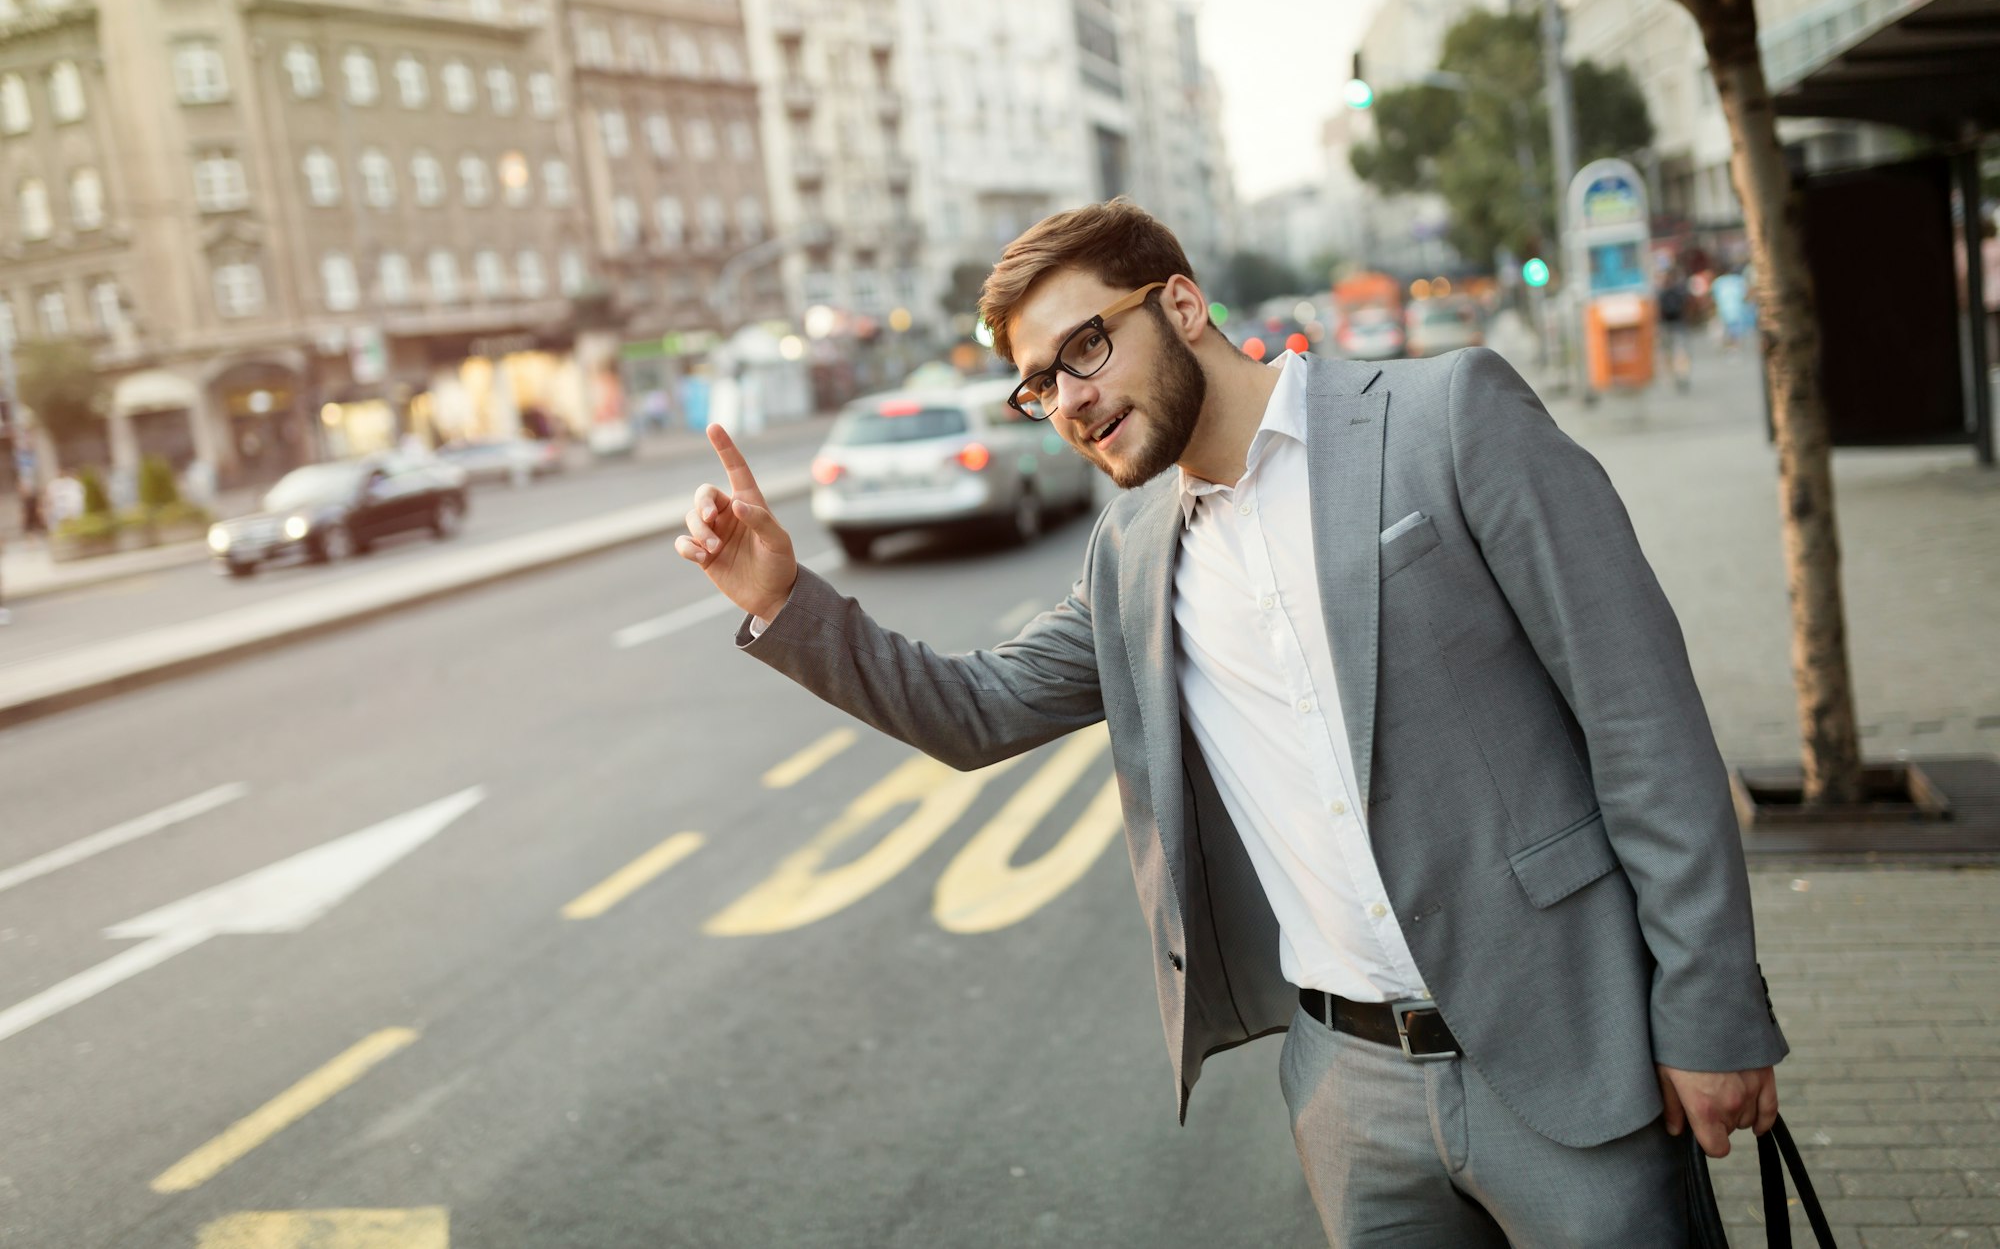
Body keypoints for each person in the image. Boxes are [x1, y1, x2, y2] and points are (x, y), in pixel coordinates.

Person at [675, 200, 1785, 1245]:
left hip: (1570, 1051)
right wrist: (781, 598)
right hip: (1351, 1095)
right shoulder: (1130, 555)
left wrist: (1710, 1010)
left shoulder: (1445, 418)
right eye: (1033, 385)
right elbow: (974, 710)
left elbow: (1642, 722)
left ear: (1180, 304)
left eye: (1083, 349)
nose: (1063, 398)